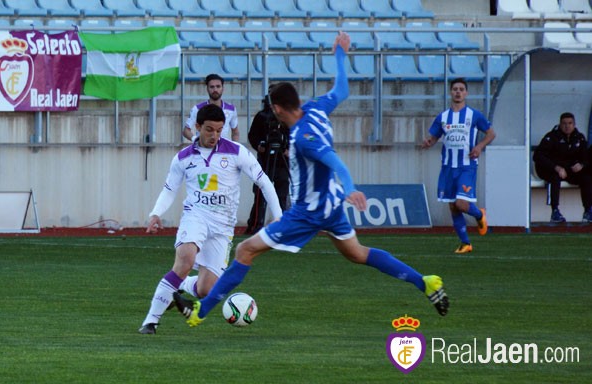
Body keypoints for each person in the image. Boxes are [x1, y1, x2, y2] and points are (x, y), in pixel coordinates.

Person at [171, 32, 450, 329]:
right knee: (358, 253)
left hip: (309, 212)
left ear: (277, 109)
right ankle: (426, 282)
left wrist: (351, 187)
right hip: (332, 206)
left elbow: (332, 159)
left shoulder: (303, 137)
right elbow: (342, 89)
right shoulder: (317, 107)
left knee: (244, 250)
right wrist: (341, 54)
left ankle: (200, 311)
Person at [138, 104, 282, 334]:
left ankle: (180, 286)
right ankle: (150, 322)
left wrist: (279, 216)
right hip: (196, 216)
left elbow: (264, 181)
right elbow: (169, 189)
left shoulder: (236, 152)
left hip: (223, 226)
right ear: (197, 127)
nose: (214, 135)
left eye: (219, 130)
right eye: (209, 130)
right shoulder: (183, 157)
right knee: (185, 260)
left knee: (206, 289)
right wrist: (155, 213)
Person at [422, 78, 496, 254]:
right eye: (455, 89)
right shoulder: (443, 117)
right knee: (453, 206)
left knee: (461, 204)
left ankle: (479, 215)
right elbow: (434, 137)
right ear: (451, 92)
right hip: (448, 167)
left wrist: (479, 147)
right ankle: (465, 243)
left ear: (466, 93)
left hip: (467, 166)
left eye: (461, 89)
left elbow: (491, 133)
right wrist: (428, 142)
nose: (458, 92)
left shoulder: (474, 115)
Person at [533, 112, 592, 223]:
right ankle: (555, 211)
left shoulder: (579, 138)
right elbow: (538, 156)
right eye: (564, 123)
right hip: (551, 169)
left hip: (568, 171)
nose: (567, 126)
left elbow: (585, 157)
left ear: (574, 124)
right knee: (553, 178)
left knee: (586, 177)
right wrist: (556, 167)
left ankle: (588, 211)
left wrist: (581, 165)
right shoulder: (551, 137)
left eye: (570, 123)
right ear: (560, 124)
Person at [245, 91, 290, 234]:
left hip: (283, 162)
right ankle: (255, 225)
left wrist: (288, 148)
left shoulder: (287, 117)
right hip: (265, 162)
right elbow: (252, 135)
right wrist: (259, 146)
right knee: (260, 193)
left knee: (282, 194)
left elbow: (295, 136)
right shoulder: (261, 116)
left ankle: (283, 225)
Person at [182, 74, 239, 143]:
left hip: (222, 150)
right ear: (207, 89)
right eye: (212, 87)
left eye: (218, 86)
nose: (215, 90)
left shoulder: (231, 109)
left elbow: (235, 132)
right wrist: (195, 140)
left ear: (223, 88)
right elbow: (186, 131)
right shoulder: (197, 108)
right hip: (203, 148)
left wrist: (234, 147)